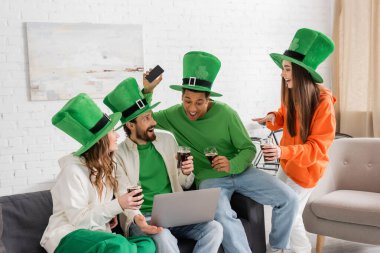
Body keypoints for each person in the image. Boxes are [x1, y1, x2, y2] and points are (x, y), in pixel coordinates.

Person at [142, 51, 298, 253]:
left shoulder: (226, 114)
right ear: (181, 97)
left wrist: (231, 164)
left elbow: (248, 149)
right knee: (223, 216)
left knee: (289, 198)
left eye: (199, 102)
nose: (192, 108)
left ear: (209, 100)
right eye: (187, 100)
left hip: (242, 172)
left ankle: (278, 248)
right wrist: (148, 91)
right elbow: (144, 118)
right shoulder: (174, 115)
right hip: (209, 179)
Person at [103, 77, 223, 253]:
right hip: (142, 218)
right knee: (164, 236)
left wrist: (186, 172)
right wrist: (139, 220)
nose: (153, 122)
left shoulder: (167, 139)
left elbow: (185, 184)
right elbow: (123, 197)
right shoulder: (118, 155)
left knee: (214, 228)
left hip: (176, 214)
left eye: (151, 116)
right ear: (131, 124)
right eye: (146, 118)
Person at [253, 28, 336, 253]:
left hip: (306, 170)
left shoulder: (323, 104)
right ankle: (285, 248)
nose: (282, 73)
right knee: (283, 208)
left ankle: (299, 250)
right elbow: (284, 115)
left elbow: (316, 148)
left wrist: (281, 152)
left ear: (300, 71)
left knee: (291, 213)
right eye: (283, 68)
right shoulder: (293, 91)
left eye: (287, 69)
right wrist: (272, 118)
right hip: (288, 163)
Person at [40, 93, 155, 253]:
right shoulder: (72, 171)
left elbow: (112, 197)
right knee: (119, 245)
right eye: (113, 131)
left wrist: (118, 215)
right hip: (68, 235)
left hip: (98, 234)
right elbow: (79, 221)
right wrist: (117, 205)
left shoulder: (107, 165)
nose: (117, 135)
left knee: (147, 244)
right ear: (100, 140)